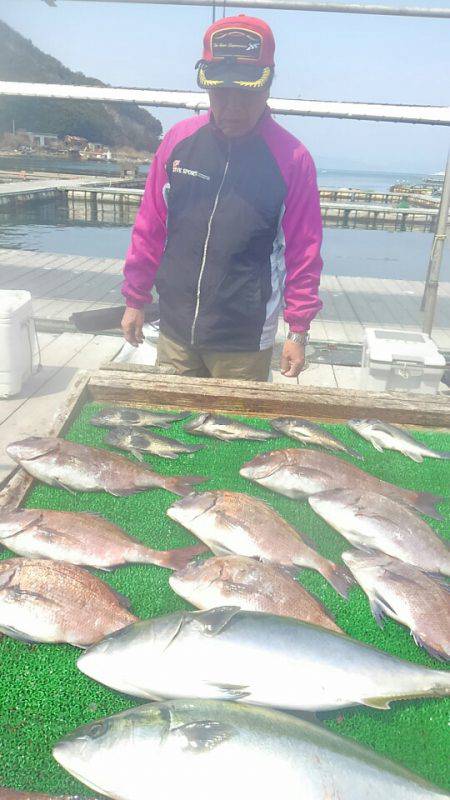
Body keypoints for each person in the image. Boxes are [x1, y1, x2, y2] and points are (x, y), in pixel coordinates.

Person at [121, 15, 323, 381]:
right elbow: (150, 226)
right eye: (219, 93)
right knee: (168, 424)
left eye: (245, 94)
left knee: (235, 433)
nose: (232, 107)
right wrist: (136, 297)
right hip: (175, 328)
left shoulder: (293, 160)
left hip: (244, 339)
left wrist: (298, 330)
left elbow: (303, 252)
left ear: (268, 85)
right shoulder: (177, 142)